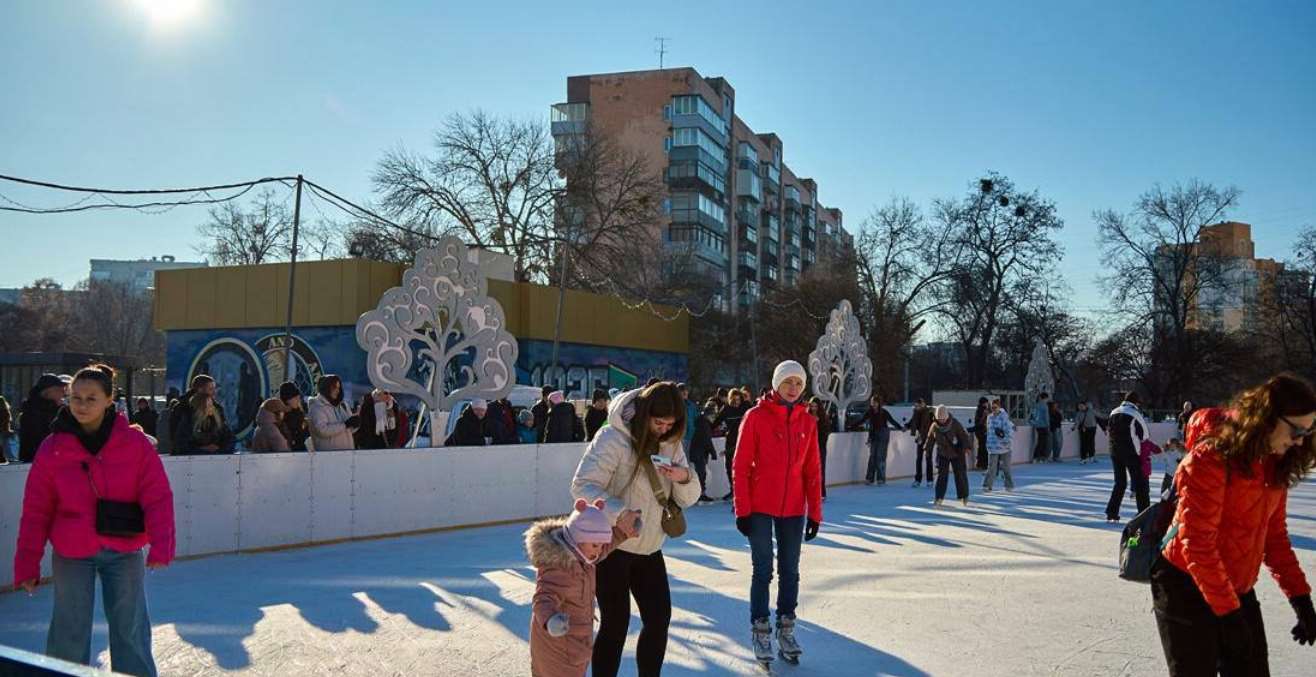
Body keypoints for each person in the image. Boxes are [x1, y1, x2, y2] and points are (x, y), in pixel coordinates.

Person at [13, 364, 175, 677]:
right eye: (76, 398)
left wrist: (162, 543)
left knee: (130, 627)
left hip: (124, 547)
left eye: (91, 398)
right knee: (68, 629)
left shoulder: (135, 444)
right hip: (73, 551)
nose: (82, 405)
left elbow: (157, 496)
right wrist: (27, 563)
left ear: (109, 400)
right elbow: (36, 510)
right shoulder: (53, 447)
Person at [1154, 373, 1316, 675]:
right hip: (1184, 583)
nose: (1299, 441)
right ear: (1267, 417)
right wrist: (1229, 617)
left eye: (1308, 432)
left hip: (1235, 584)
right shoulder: (1209, 459)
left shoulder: (1274, 464)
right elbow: (1198, 544)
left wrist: (1301, 600)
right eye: (1296, 430)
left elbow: (1275, 539)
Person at [570, 382, 701, 677]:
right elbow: (582, 485)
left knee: (658, 620)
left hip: (650, 547)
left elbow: (688, 498)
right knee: (615, 625)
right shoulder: (612, 438)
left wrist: (683, 477)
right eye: (659, 422)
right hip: (612, 547)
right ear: (644, 414)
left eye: (670, 424)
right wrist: (619, 513)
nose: (664, 429)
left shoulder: (671, 442)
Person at [734, 361, 822, 667]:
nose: (793, 389)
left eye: (798, 384)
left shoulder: (807, 422)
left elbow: (813, 471)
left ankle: (786, 628)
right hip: (759, 506)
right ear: (776, 384)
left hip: (794, 508)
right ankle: (760, 629)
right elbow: (741, 465)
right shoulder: (755, 417)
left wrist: (816, 514)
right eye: (788, 383)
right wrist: (742, 509)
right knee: (763, 570)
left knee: (790, 570)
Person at [525, 499, 641, 677]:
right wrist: (550, 620)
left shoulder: (585, 554)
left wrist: (624, 532)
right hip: (555, 644)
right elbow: (543, 598)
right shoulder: (558, 566)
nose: (599, 550)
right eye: (595, 545)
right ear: (577, 539)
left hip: (574, 642)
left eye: (601, 544)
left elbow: (606, 547)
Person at [1105, 391, 1151, 523]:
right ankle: (1144, 513)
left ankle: (1111, 512)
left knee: (1119, 483)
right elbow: (1145, 435)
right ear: (1137, 402)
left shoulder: (1113, 412)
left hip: (1114, 452)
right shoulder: (1135, 414)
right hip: (1131, 453)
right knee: (1140, 483)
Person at [170, 375, 236, 455]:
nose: (214, 392)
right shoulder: (184, 410)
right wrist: (202, 449)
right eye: (211, 389)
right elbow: (179, 442)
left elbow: (227, 436)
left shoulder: (217, 410)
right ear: (200, 389)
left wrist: (220, 450)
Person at [924, 405, 973, 507]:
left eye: (943, 418)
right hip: (943, 453)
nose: (941, 421)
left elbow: (963, 435)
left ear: (946, 417)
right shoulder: (934, 426)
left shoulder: (954, 423)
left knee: (960, 475)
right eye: (939, 419)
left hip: (957, 453)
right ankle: (939, 497)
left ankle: (964, 496)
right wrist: (927, 450)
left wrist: (967, 447)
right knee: (941, 477)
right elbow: (930, 439)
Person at [19, 373, 69, 463]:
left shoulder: (58, 409)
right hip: (36, 461)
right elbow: (41, 439)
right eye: (59, 390)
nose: (63, 394)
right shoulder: (33, 412)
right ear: (47, 392)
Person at [712, 389, 751, 501]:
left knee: (743, 466)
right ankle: (733, 490)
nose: (736, 402)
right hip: (731, 439)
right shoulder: (727, 409)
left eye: (738, 399)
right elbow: (716, 421)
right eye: (734, 400)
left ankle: (744, 490)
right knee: (729, 466)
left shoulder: (745, 407)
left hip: (744, 438)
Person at [856, 394, 902, 486]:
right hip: (873, 435)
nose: (873, 404)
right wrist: (851, 426)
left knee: (880, 457)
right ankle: (869, 478)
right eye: (872, 402)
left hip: (883, 434)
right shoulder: (870, 412)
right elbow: (862, 420)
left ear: (878, 403)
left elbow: (892, 421)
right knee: (872, 456)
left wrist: (900, 427)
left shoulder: (884, 412)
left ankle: (881, 478)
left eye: (875, 402)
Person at [307, 374, 358, 452]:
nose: (337, 391)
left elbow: (348, 430)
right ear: (325, 388)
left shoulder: (342, 405)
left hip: (347, 454)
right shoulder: (317, 407)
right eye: (334, 388)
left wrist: (355, 424)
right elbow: (322, 431)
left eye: (339, 388)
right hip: (328, 457)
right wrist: (345, 425)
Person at [983, 397, 1015, 492]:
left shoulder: (1004, 417)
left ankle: (1009, 485)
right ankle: (987, 485)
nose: (994, 409)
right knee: (991, 467)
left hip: (1005, 446)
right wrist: (988, 443)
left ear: (999, 407)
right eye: (992, 407)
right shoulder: (989, 417)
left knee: (1006, 467)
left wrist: (1004, 438)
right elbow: (989, 432)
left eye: (995, 407)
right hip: (993, 446)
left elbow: (1009, 430)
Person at [687, 403, 717, 504]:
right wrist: (713, 453)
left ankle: (701, 493)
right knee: (701, 474)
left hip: (698, 452)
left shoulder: (702, 423)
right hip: (698, 453)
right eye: (713, 415)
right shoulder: (704, 424)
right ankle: (700, 494)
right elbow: (707, 440)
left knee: (702, 473)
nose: (713, 418)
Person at [907, 399, 934, 487]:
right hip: (920, 438)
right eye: (916, 406)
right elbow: (912, 422)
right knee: (919, 458)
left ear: (923, 404)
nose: (917, 408)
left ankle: (930, 480)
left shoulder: (930, 412)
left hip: (929, 438)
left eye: (918, 406)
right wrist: (905, 426)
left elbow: (934, 424)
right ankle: (918, 480)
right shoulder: (916, 413)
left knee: (928, 458)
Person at [808, 398, 831, 499]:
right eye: (812, 406)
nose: (813, 409)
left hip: (820, 447)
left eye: (815, 407)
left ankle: (821, 492)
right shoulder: (807, 417)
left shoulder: (823, 419)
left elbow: (826, 432)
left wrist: (817, 423)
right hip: (809, 448)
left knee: (820, 470)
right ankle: (810, 492)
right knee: (809, 471)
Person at [277, 381, 309, 452]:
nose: (298, 400)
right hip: (288, 454)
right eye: (294, 398)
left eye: (298, 397)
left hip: (301, 452)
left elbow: (303, 436)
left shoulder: (299, 413)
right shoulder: (280, 417)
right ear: (287, 400)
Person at [677, 383, 700, 458]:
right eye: (682, 391)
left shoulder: (691, 405)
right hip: (680, 436)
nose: (685, 392)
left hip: (691, 436)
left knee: (688, 459)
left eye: (686, 390)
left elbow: (697, 418)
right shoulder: (675, 404)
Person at [1029, 393, 1051, 463]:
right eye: (1046, 398)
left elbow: (1032, 415)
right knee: (1043, 442)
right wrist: (1048, 424)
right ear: (1044, 398)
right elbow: (1046, 417)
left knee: (1040, 441)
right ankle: (1040, 457)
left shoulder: (1035, 405)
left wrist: (1033, 423)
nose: (1047, 400)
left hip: (1036, 425)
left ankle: (1037, 457)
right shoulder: (1044, 406)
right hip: (1043, 425)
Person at [972, 396, 990, 470]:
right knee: (983, 448)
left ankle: (981, 464)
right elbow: (980, 422)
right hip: (981, 431)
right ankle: (982, 464)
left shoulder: (980, 410)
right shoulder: (981, 410)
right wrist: (984, 415)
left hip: (980, 431)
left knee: (982, 447)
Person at [0, 395, 12, 464]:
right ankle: (9, 458)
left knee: (3, 446)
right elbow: (7, 421)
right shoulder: (6, 411)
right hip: (5, 431)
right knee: (6, 446)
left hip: (2, 431)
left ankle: (5, 459)